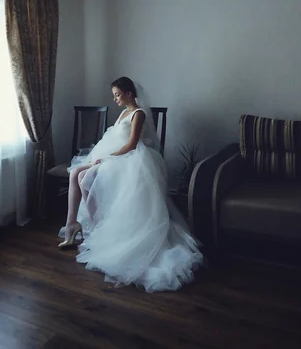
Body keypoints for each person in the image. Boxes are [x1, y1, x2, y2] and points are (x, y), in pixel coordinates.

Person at [58, 76, 204, 292]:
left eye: (118, 95)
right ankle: (73, 226)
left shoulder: (139, 113)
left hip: (129, 158)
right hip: (113, 156)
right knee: (75, 174)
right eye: (114, 95)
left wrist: (108, 158)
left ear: (129, 93)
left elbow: (132, 144)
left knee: (83, 177)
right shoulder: (123, 114)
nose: (115, 99)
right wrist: (101, 157)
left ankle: (98, 226)